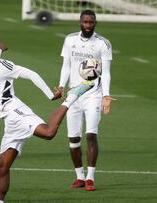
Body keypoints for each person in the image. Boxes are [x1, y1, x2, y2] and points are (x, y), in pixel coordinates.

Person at [0, 37, 95, 203]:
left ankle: (73, 97)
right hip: (8, 121)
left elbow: (31, 74)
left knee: (48, 133)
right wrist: (1, 48)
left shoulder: (4, 66)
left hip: (15, 111)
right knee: (2, 166)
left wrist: (49, 95)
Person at [58, 9, 116, 191]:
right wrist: (61, 86)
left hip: (93, 95)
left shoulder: (103, 44)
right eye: (85, 22)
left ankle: (90, 178)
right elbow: (66, 65)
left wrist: (106, 95)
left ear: (95, 23)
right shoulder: (70, 40)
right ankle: (79, 177)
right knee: (73, 139)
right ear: (80, 22)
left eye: (91, 22)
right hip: (74, 95)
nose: (88, 25)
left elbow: (106, 72)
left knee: (91, 135)